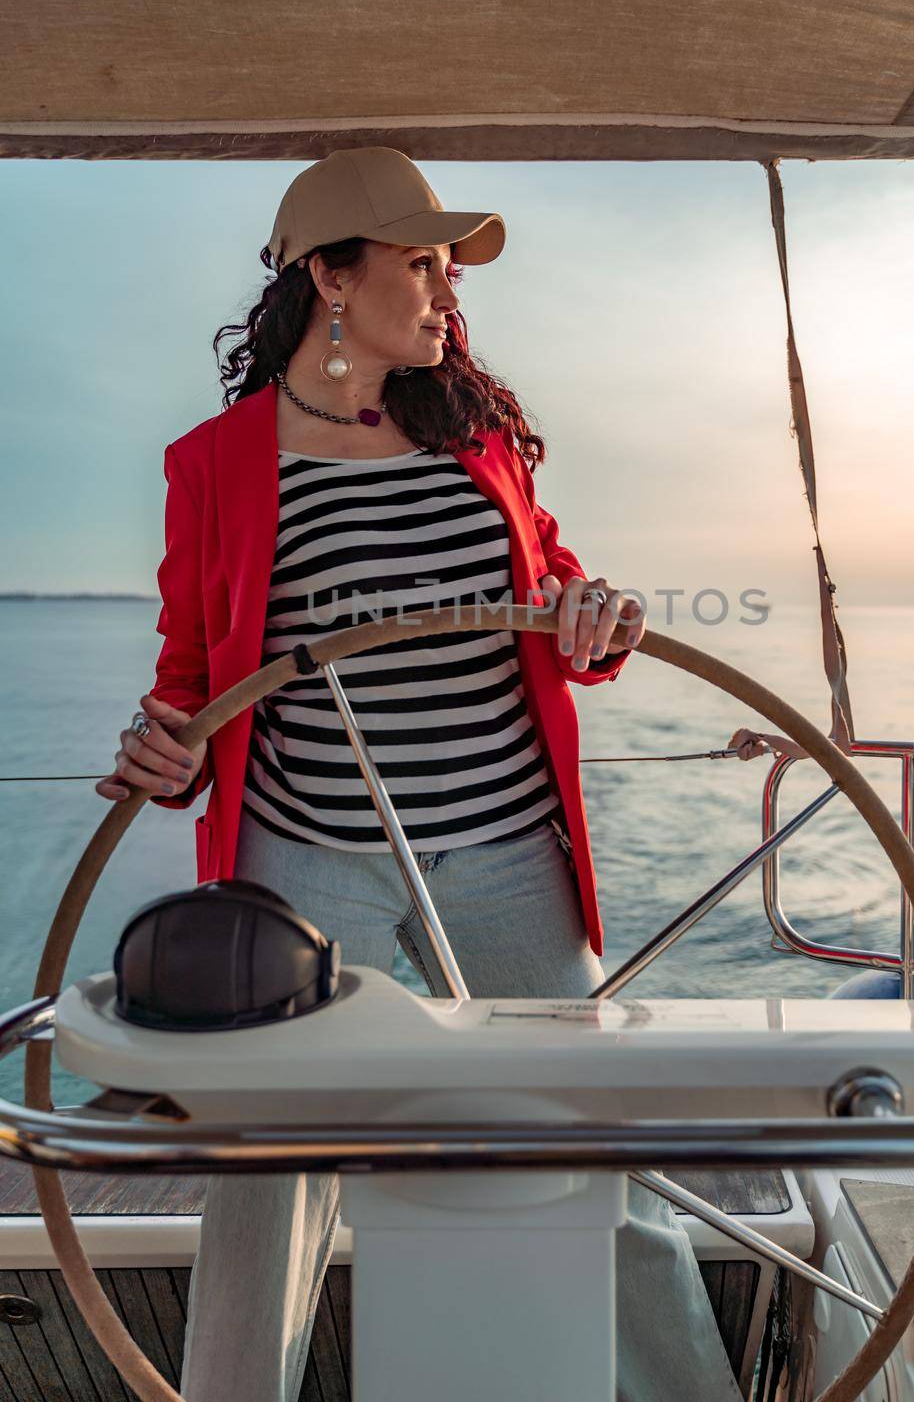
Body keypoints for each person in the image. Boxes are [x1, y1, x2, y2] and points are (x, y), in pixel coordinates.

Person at [96, 147, 743, 1402]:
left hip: (504, 853)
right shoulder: (214, 464)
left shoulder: (476, 432)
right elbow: (191, 674)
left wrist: (591, 613)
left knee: (596, 1147)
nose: (447, 292)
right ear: (329, 280)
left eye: (448, 268)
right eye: (420, 264)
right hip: (306, 863)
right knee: (267, 1182)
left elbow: (549, 590)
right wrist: (162, 749)